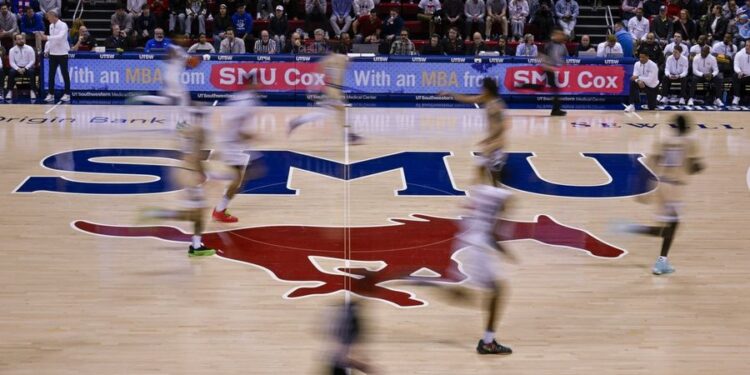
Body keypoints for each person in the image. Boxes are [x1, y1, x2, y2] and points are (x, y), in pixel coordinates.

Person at [618, 114, 704, 275]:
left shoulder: (664, 142)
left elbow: (651, 164)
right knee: (672, 227)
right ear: (687, 127)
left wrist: (641, 188)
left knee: (671, 226)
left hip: (661, 185)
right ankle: (658, 258)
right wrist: (698, 165)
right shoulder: (690, 143)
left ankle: (659, 257)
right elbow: (695, 167)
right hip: (675, 188)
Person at [140, 104, 217, 258]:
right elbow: (197, 156)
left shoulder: (185, 128)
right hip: (191, 173)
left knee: (198, 213)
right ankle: (160, 215)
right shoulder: (200, 131)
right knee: (197, 214)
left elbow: (183, 141)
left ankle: (196, 245)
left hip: (183, 170)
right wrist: (203, 174)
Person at [211, 74, 262, 224]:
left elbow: (229, 121)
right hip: (233, 143)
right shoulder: (248, 102)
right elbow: (237, 128)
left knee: (245, 176)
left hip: (231, 142)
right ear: (251, 84)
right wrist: (252, 137)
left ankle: (220, 207)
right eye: (257, 82)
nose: (260, 84)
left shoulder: (239, 97)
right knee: (239, 180)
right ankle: (219, 210)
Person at [440, 77, 509, 185]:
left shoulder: (497, 105)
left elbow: (502, 127)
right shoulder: (487, 99)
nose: (480, 90)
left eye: (482, 88)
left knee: (493, 180)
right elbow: (467, 99)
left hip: (496, 146)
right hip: (490, 145)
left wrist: (489, 139)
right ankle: (483, 195)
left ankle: (493, 198)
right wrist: (450, 93)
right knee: (480, 171)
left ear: (487, 90)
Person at [288, 53, 362, 144]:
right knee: (340, 111)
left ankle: (297, 121)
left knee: (326, 113)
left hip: (331, 89)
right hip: (334, 91)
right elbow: (347, 63)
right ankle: (348, 135)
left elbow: (317, 71)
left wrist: (312, 88)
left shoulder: (327, 60)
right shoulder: (343, 59)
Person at [42, 10, 70, 103]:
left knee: (64, 74)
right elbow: (52, 40)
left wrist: (47, 37)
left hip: (62, 53)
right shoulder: (50, 26)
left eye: (48, 17)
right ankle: (51, 94)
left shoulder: (63, 25)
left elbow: (60, 37)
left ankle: (67, 94)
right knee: (51, 75)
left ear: (54, 16)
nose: (48, 19)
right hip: (53, 54)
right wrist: (47, 50)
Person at [6, 33, 37, 101]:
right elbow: (11, 62)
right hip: (17, 68)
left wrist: (25, 68)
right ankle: (9, 91)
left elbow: (32, 61)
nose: (21, 40)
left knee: (32, 72)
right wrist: (18, 68)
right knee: (11, 72)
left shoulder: (30, 48)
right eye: (19, 39)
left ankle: (32, 91)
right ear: (15, 41)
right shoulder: (12, 50)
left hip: (27, 67)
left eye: (22, 39)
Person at [731, 40, 750, 105]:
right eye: (747, 45)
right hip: (742, 75)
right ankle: (736, 97)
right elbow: (736, 66)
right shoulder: (739, 54)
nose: (748, 47)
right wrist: (739, 72)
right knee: (735, 76)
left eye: (749, 46)